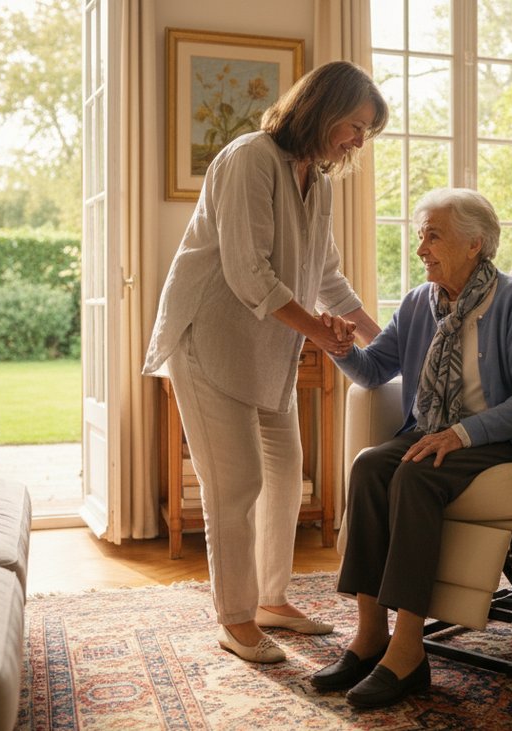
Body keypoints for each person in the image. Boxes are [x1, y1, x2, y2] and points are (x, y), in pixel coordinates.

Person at [141, 61, 389, 665]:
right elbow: (248, 271)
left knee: (286, 476)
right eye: (356, 126)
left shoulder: (319, 181)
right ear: (323, 109)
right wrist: (323, 337)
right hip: (210, 341)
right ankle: (234, 617)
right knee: (238, 482)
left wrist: (385, 343)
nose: (359, 141)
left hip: (269, 350)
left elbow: (325, 275)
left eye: (366, 132)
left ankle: (271, 600)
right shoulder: (250, 157)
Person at [309, 188, 512, 709]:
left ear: (475, 245)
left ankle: (408, 649)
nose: (421, 248)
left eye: (433, 236)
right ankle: (370, 632)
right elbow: (375, 368)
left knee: (415, 474)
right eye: (421, 236)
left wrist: (463, 433)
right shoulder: (419, 302)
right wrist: (340, 346)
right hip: (431, 430)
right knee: (372, 465)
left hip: (492, 438)